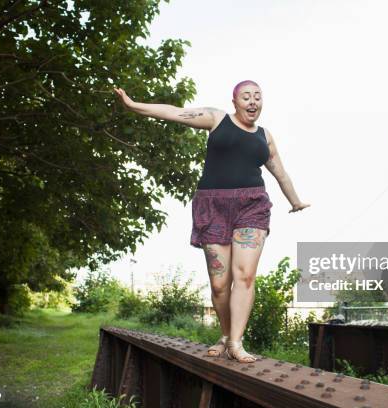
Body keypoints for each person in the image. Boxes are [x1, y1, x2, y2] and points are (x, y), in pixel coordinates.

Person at [113, 80, 309, 363]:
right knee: (220, 284)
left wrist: (295, 201)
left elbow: (281, 173)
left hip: (252, 206)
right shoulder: (217, 119)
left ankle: (237, 343)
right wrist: (133, 105)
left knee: (244, 275)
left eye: (257, 97)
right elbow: (173, 112)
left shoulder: (264, 136)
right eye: (246, 97)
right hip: (212, 206)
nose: (253, 102)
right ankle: (226, 335)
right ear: (235, 102)